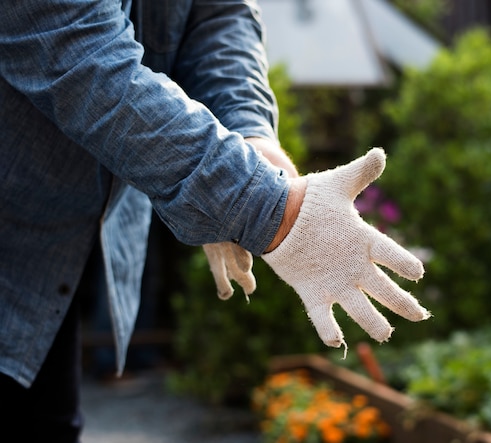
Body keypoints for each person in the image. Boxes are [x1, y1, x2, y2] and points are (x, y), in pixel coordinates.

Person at [0, 0, 430, 441]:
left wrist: (252, 141)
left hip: (54, 253)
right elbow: (81, 59)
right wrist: (265, 206)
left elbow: (219, 15)